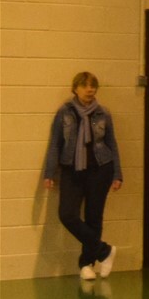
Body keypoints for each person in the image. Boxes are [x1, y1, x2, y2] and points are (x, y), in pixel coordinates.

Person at [42, 71, 122, 280]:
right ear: (75, 88)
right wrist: (49, 172)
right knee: (67, 215)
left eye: (93, 86)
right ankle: (104, 251)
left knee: (94, 217)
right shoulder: (64, 112)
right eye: (85, 86)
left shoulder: (103, 113)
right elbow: (55, 144)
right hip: (72, 170)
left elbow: (112, 144)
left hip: (101, 170)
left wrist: (117, 174)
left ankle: (87, 264)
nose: (90, 90)